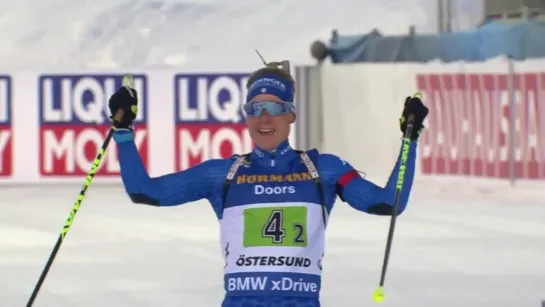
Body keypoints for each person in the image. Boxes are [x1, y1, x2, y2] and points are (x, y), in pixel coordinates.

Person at [108, 62, 429, 307]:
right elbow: (144, 191)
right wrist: (123, 131)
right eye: (254, 109)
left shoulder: (323, 170)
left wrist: (409, 138)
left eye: (274, 108)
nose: (264, 118)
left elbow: (390, 201)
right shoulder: (223, 174)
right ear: (246, 116)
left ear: (291, 115)